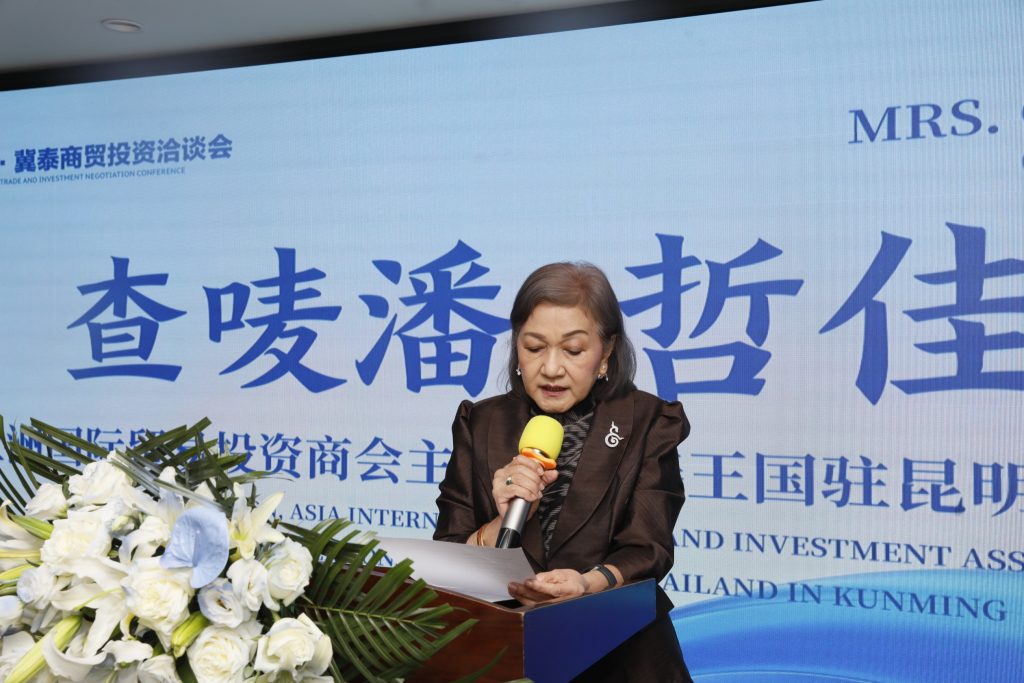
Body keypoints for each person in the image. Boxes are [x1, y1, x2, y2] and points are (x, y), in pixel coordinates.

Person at [434, 262, 693, 682]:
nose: (551, 368)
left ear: (606, 351)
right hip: (504, 653)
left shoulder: (649, 421)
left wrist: (587, 584)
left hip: (621, 654)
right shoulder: (479, 423)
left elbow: (649, 547)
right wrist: (503, 521)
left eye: (573, 350)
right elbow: (447, 552)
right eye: (534, 347)